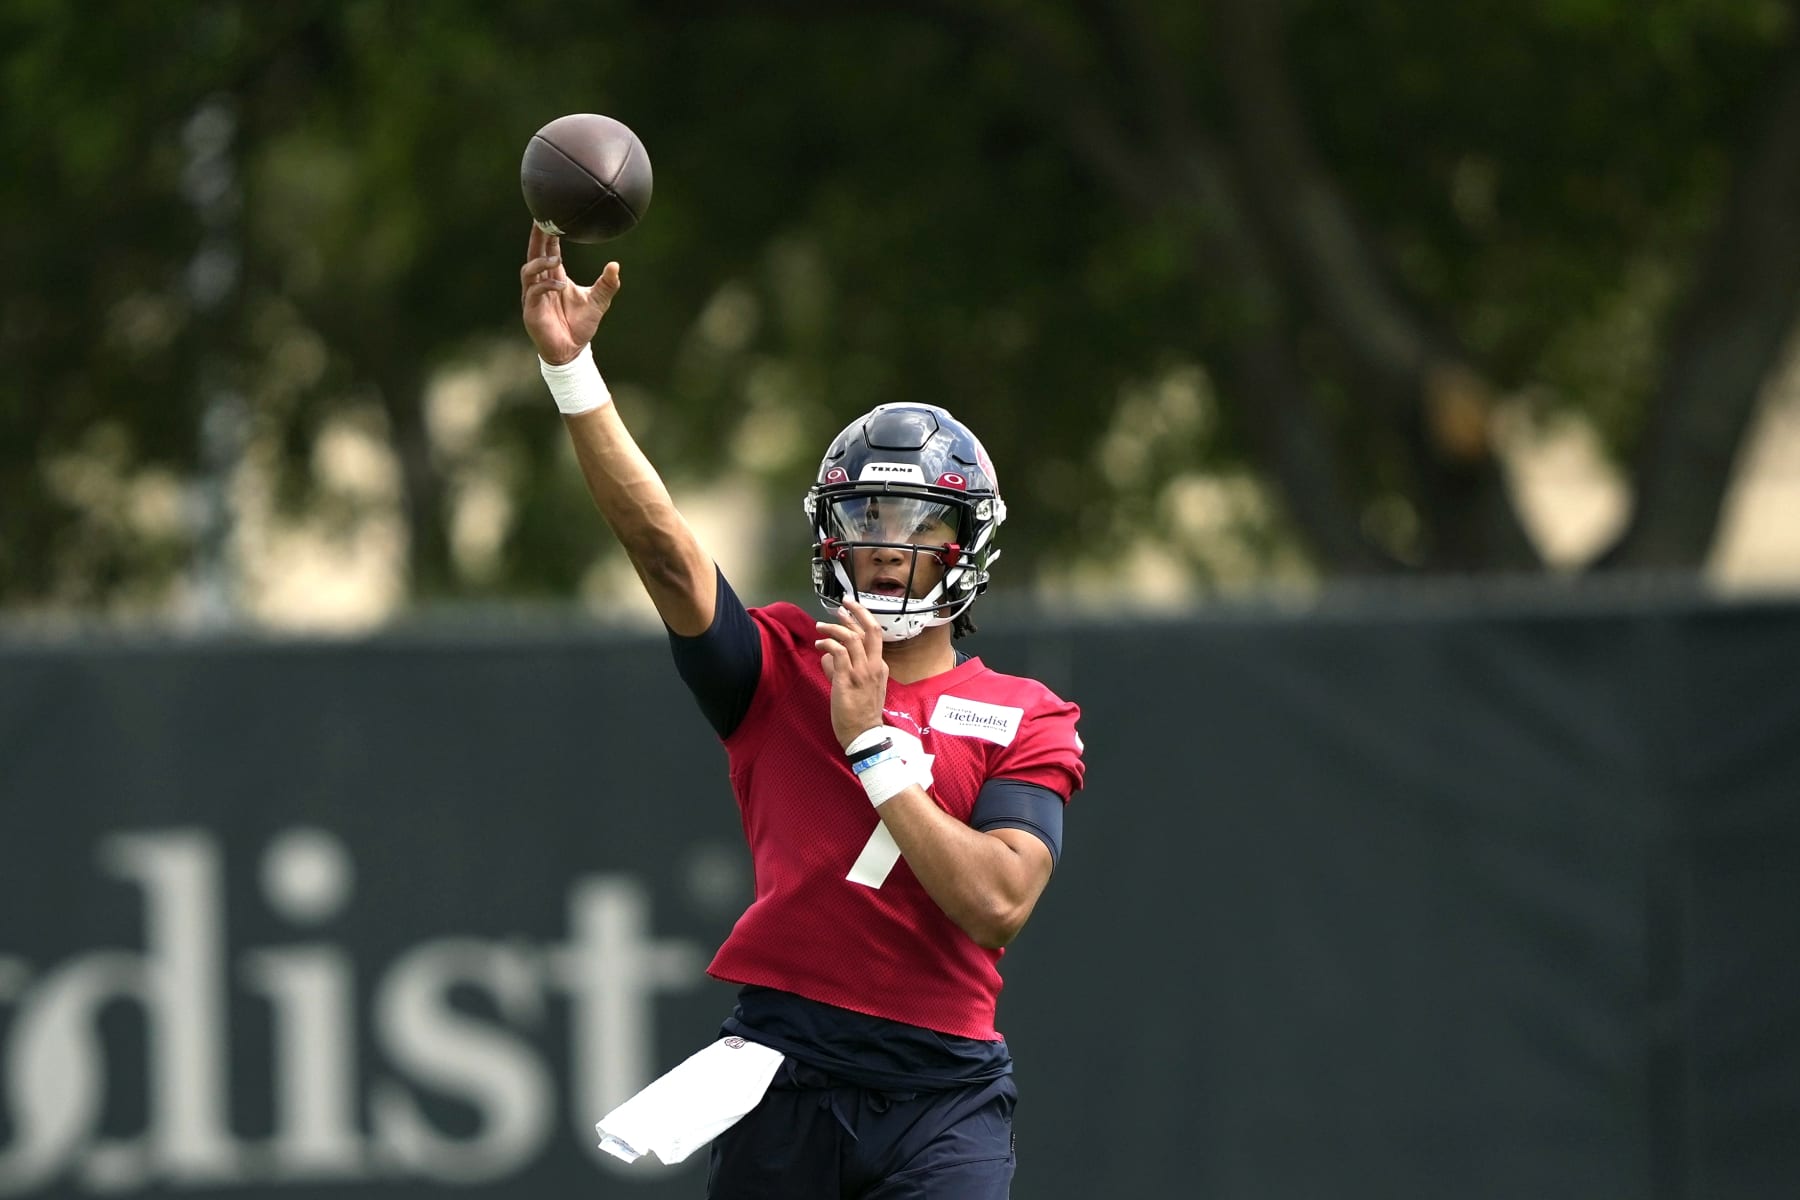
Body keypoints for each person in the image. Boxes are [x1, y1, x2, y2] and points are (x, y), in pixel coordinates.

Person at [520, 227, 1085, 1199]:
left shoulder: (1024, 715)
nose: (884, 546)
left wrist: (872, 746)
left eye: (916, 525)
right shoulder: (780, 664)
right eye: (866, 519)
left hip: (939, 1092)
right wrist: (572, 370)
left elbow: (997, 905)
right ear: (831, 534)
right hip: (784, 1071)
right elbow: (660, 547)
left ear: (968, 546)